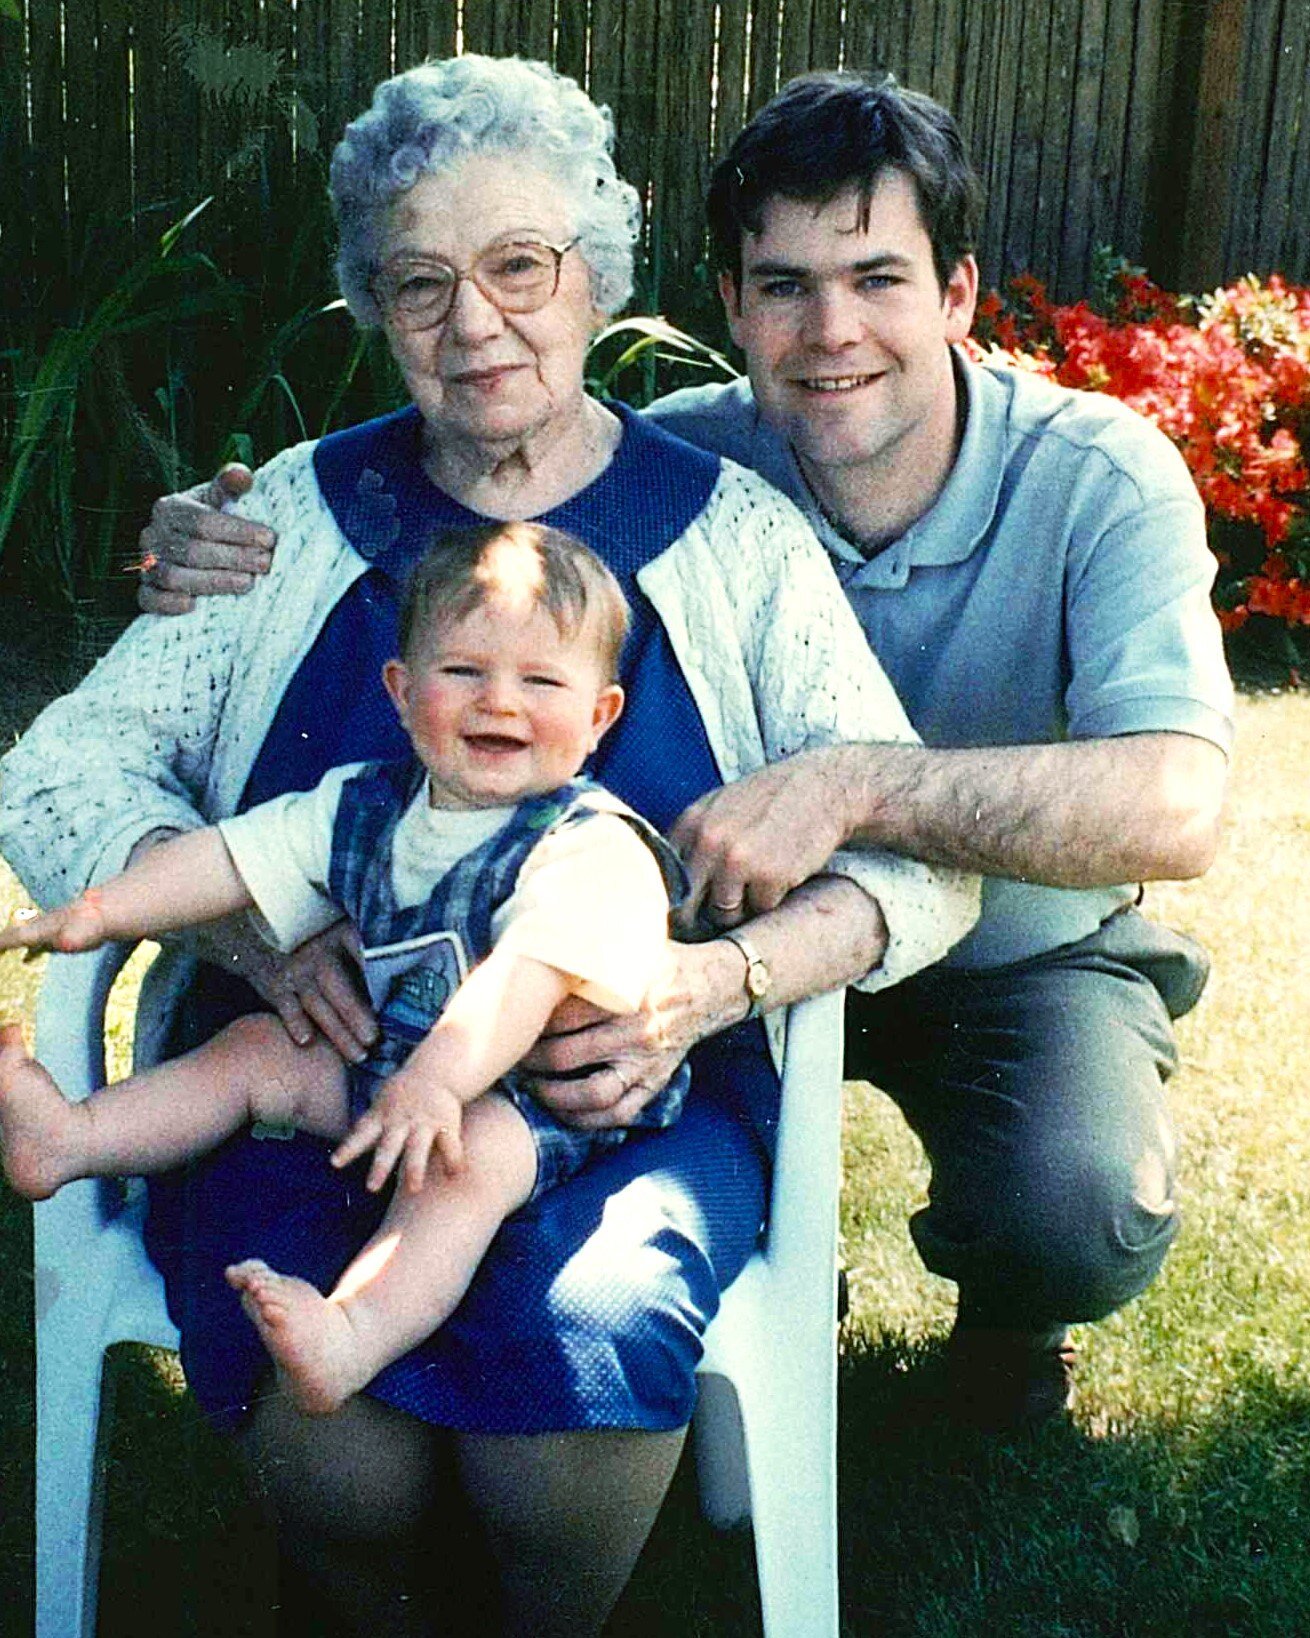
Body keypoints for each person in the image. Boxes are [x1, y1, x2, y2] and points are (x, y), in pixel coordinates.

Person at [0, 56, 977, 1636]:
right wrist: (246, 936)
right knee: (347, 1455)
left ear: (596, 271)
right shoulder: (288, 522)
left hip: (627, 1098)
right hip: (308, 1089)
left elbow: (920, 859)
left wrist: (710, 984)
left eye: (519, 266)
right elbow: (56, 768)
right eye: (420, 283)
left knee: (572, 1368)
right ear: (374, 311)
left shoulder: (729, 536)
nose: (476, 324)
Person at [141, 69, 1234, 1432]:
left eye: (875, 278)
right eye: (781, 286)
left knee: (1067, 1207)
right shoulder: (683, 470)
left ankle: (1011, 1319)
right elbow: (505, 483)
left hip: (1013, 956)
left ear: (956, 295)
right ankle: (768, 1273)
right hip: (748, 952)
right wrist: (201, 536)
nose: (828, 331)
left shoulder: (1096, 475)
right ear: (728, 304)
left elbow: (1179, 807)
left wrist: (848, 785)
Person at [1, 521, 705, 1421]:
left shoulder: (591, 847)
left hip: (546, 1107)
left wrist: (440, 1083)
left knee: (468, 1160)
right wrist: (101, 910)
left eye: (541, 681)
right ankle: (70, 1139)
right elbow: (228, 860)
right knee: (259, 1048)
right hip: (396, 1073)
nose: (500, 702)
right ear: (403, 693)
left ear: (600, 715)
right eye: (464, 673)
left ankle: (354, 1332)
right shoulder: (365, 805)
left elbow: (521, 980)